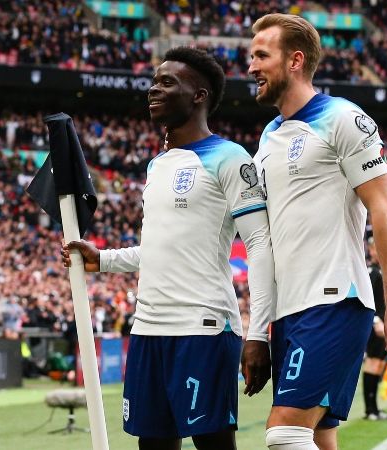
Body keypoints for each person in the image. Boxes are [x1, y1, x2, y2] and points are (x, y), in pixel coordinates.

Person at [63, 46, 275, 450]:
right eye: (153, 81)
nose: (152, 89)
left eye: (166, 82)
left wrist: (258, 334)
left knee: (212, 445)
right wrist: (104, 259)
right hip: (147, 330)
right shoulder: (158, 165)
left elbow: (260, 244)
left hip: (203, 328)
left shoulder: (231, 158)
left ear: (199, 95)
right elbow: (159, 248)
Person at [243, 14, 387, 450]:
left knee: (284, 433)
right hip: (289, 310)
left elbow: (385, 209)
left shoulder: (343, 117)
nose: (251, 66)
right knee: (321, 437)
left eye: (262, 55)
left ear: (295, 60)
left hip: (333, 300)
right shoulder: (268, 137)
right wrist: (260, 327)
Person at [362, 239, 387, 421]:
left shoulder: (382, 272)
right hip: (376, 325)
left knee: (379, 364)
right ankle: (370, 410)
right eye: (375, 248)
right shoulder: (372, 273)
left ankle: (375, 408)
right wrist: (376, 321)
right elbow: (368, 299)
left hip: (384, 324)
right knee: (373, 363)